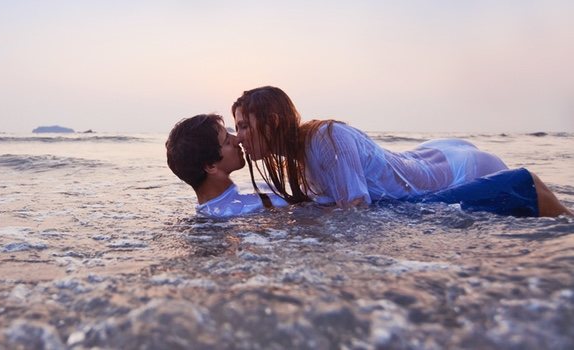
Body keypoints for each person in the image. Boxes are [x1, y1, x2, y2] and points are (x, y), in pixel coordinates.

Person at [232, 86, 572, 217]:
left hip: (459, 170)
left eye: (244, 126)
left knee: (526, 184)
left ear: (272, 122)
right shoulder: (300, 163)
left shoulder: (325, 138)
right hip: (426, 160)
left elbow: (355, 210)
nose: (240, 137)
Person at [166, 114, 287, 218]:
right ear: (211, 166)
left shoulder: (250, 192)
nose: (237, 139)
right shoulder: (239, 211)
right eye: (228, 141)